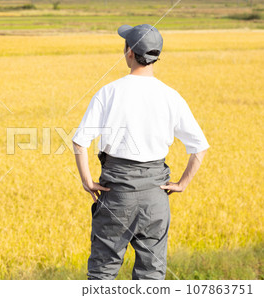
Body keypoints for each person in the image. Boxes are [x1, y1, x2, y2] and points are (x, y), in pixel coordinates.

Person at [72, 24, 209, 280]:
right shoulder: (171, 96)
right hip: (155, 197)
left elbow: (80, 143)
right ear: (156, 56)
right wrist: (182, 183)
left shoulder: (108, 92)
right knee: (151, 275)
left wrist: (87, 181)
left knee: (102, 272)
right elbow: (199, 147)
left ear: (129, 52)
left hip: (115, 194)